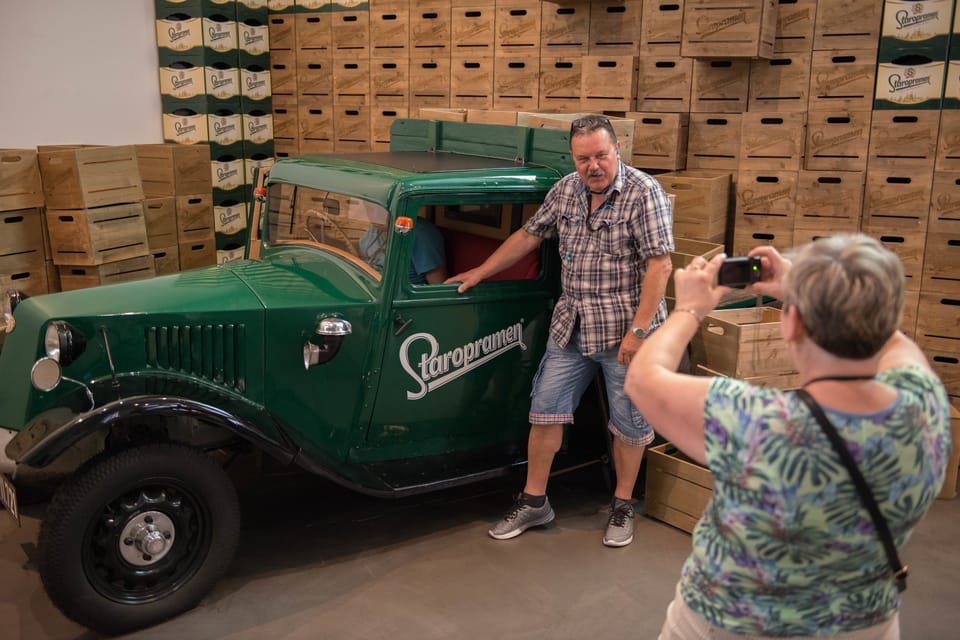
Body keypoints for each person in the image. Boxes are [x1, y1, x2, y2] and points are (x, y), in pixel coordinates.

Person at [625, 234, 952, 638]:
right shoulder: (923, 402)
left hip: (733, 623)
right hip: (866, 622)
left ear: (792, 322)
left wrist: (689, 308)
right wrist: (810, 289)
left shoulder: (756, 422)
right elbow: (893, 340)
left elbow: (642, 379)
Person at [446, 115, 674, 547]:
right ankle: (534, 502)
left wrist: (639, 332)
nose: (593, 166)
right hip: (572, 325)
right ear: (573, 157)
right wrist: (480, 271)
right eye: (583, 158)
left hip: (626, 330)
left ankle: (623, 505)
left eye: (601, 155)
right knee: (545, 409)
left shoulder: (645, 193)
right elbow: (529, 235)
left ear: (617, 150)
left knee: (629, 422)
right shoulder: (566, 190)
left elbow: (660, 266)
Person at [359, 217, 447, 284]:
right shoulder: (376, 227)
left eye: (377, 209)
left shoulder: (420, 234)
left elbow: (437, 286)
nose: (372, 214)